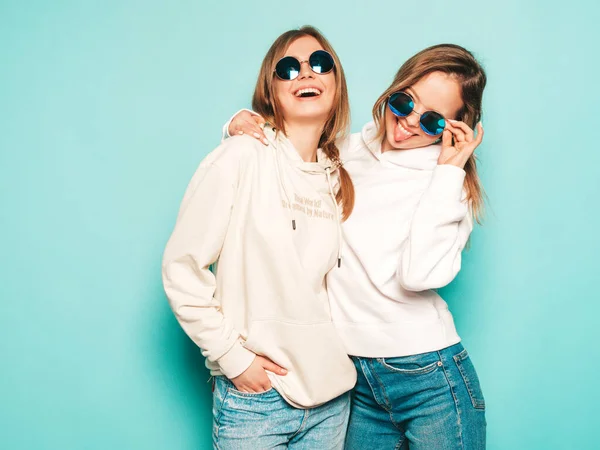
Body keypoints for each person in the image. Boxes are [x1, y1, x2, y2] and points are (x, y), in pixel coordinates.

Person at [224, 42, 488, 449]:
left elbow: (420, 276)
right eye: (404, 102)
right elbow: (281, 165)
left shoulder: (449, 185)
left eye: (433, 120)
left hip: (428, 375)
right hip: (353, 377)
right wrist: (236, 126)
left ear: (454, 128)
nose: (409, 123)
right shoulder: (344, 151)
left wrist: (449, 170)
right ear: (392, 90)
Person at [162, 26, 357, 449]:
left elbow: (400, 138)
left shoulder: (338, 175)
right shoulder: (240, 156)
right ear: (270, 90)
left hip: (331, 396)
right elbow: (182, 267)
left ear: (336, 84)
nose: (306, 73)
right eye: (289, 68)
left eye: (320, 64)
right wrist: (233, 359)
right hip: (259, 401)